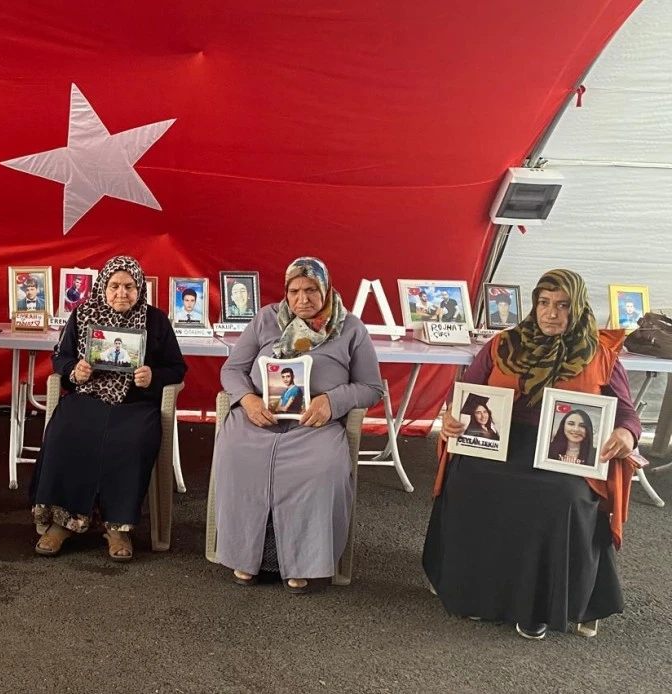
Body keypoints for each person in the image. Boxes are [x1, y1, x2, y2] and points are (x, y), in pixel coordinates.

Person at [423, 269, 643, 640]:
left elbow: (627, 414)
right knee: (469, 478)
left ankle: (539, 606)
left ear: (578, 308)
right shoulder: (503, 344)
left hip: (563, 450)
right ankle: (472, 593)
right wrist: (450, 417)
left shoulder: (600, 355)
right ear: (534, 305)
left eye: (562, 305)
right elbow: (464, 392)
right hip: (502, 440)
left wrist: (626, 433)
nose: (551, 313)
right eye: (544, 302)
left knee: (563, 495)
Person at [213, 257, 384, 594]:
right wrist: (247, 399)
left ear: (326, 289)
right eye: (294, 291)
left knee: (321, 468)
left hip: (314, 423)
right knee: (235, 455)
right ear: (286, 292)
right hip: (259, 418)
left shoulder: (350, 328)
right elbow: (232, 369)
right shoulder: (266, 319)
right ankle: (245, 556)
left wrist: (332, 401)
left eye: (311, 290)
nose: (302, 299)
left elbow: (371, 387)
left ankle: (304, 563)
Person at [30, 256, 187, 561]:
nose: (121, 293)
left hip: (135, 404)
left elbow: (177, 368)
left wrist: (154, 377)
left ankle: (118, 529)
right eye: (114, 286)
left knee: (132, 441)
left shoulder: (156, 320)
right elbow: (60, 357)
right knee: (64, 433)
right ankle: (63, 523)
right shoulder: (83, 314)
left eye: (129, 286)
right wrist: (74, 370)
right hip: (87, 397)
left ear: (140, 288)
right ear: (103, 287)